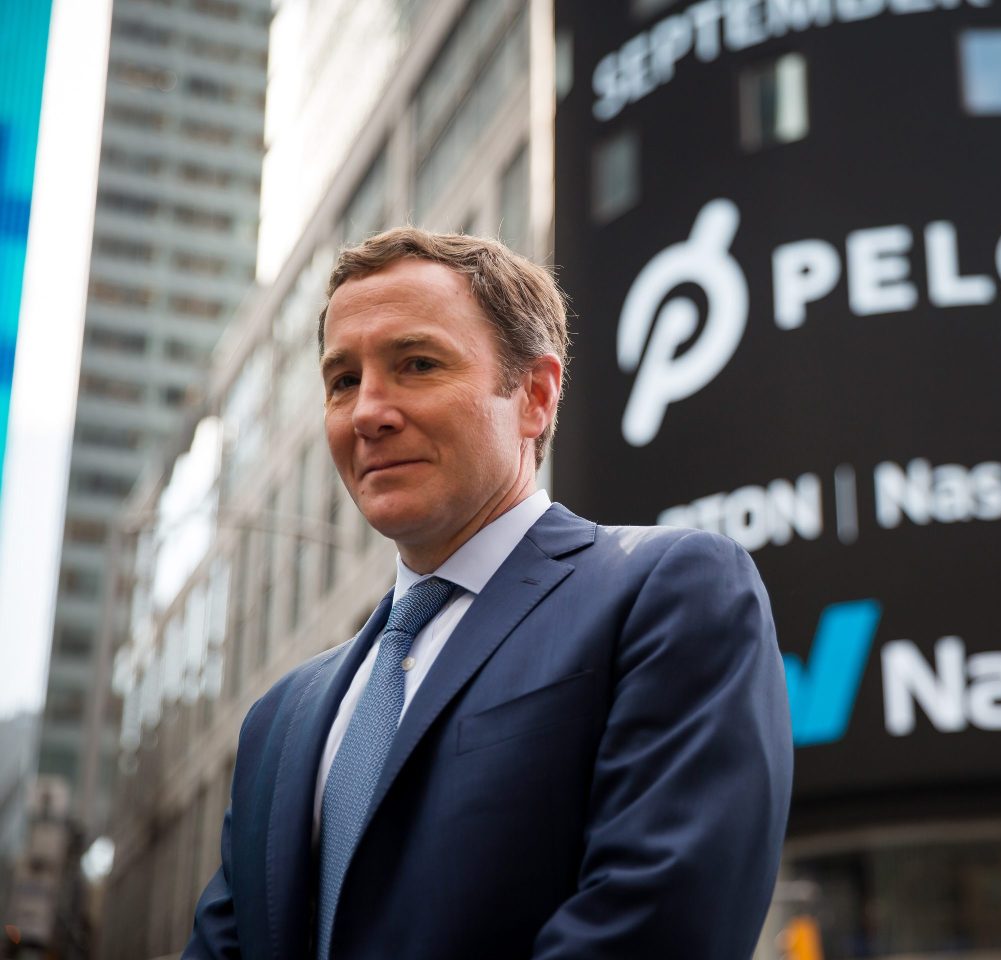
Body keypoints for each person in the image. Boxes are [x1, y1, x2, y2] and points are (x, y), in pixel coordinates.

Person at [183, 228, 793, 959]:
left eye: (416, 364)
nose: (368, 412)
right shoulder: (277, 720)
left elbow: (654, 926)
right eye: (343, 380)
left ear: (534, 397)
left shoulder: (669, 593)